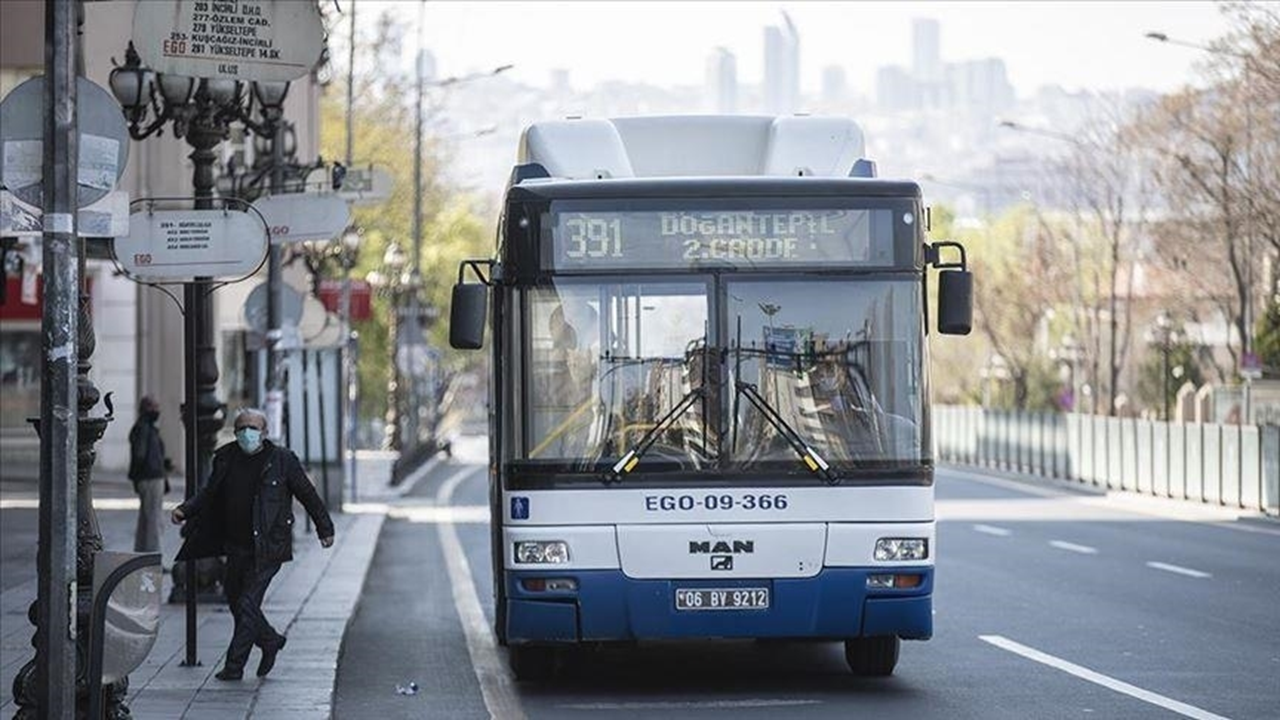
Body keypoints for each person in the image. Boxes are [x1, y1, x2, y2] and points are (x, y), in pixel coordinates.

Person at [171, 408, 335, 681]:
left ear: (265, 432)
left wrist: (324, 528)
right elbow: (209, 492)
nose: (248, 432)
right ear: (235, 432)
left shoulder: (282, 460)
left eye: (253, 427)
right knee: (236, 602)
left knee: (247, 602)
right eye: (242, 428)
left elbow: (307, 494)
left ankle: (234, 667)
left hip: (269, 546)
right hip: (235, 545)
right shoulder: (225, 458)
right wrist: (185, 510)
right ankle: (269, 640)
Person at [127, 396, 169, 553]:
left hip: (149, 476)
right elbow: (140, 455)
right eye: (154, 407)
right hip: (151, 477)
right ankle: (153, 555)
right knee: (154, 519)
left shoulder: (145, 428)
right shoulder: (144, 428)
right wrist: (140, 475)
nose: (157, 411)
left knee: (147, 518)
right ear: (146, 409)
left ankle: (142, 553)